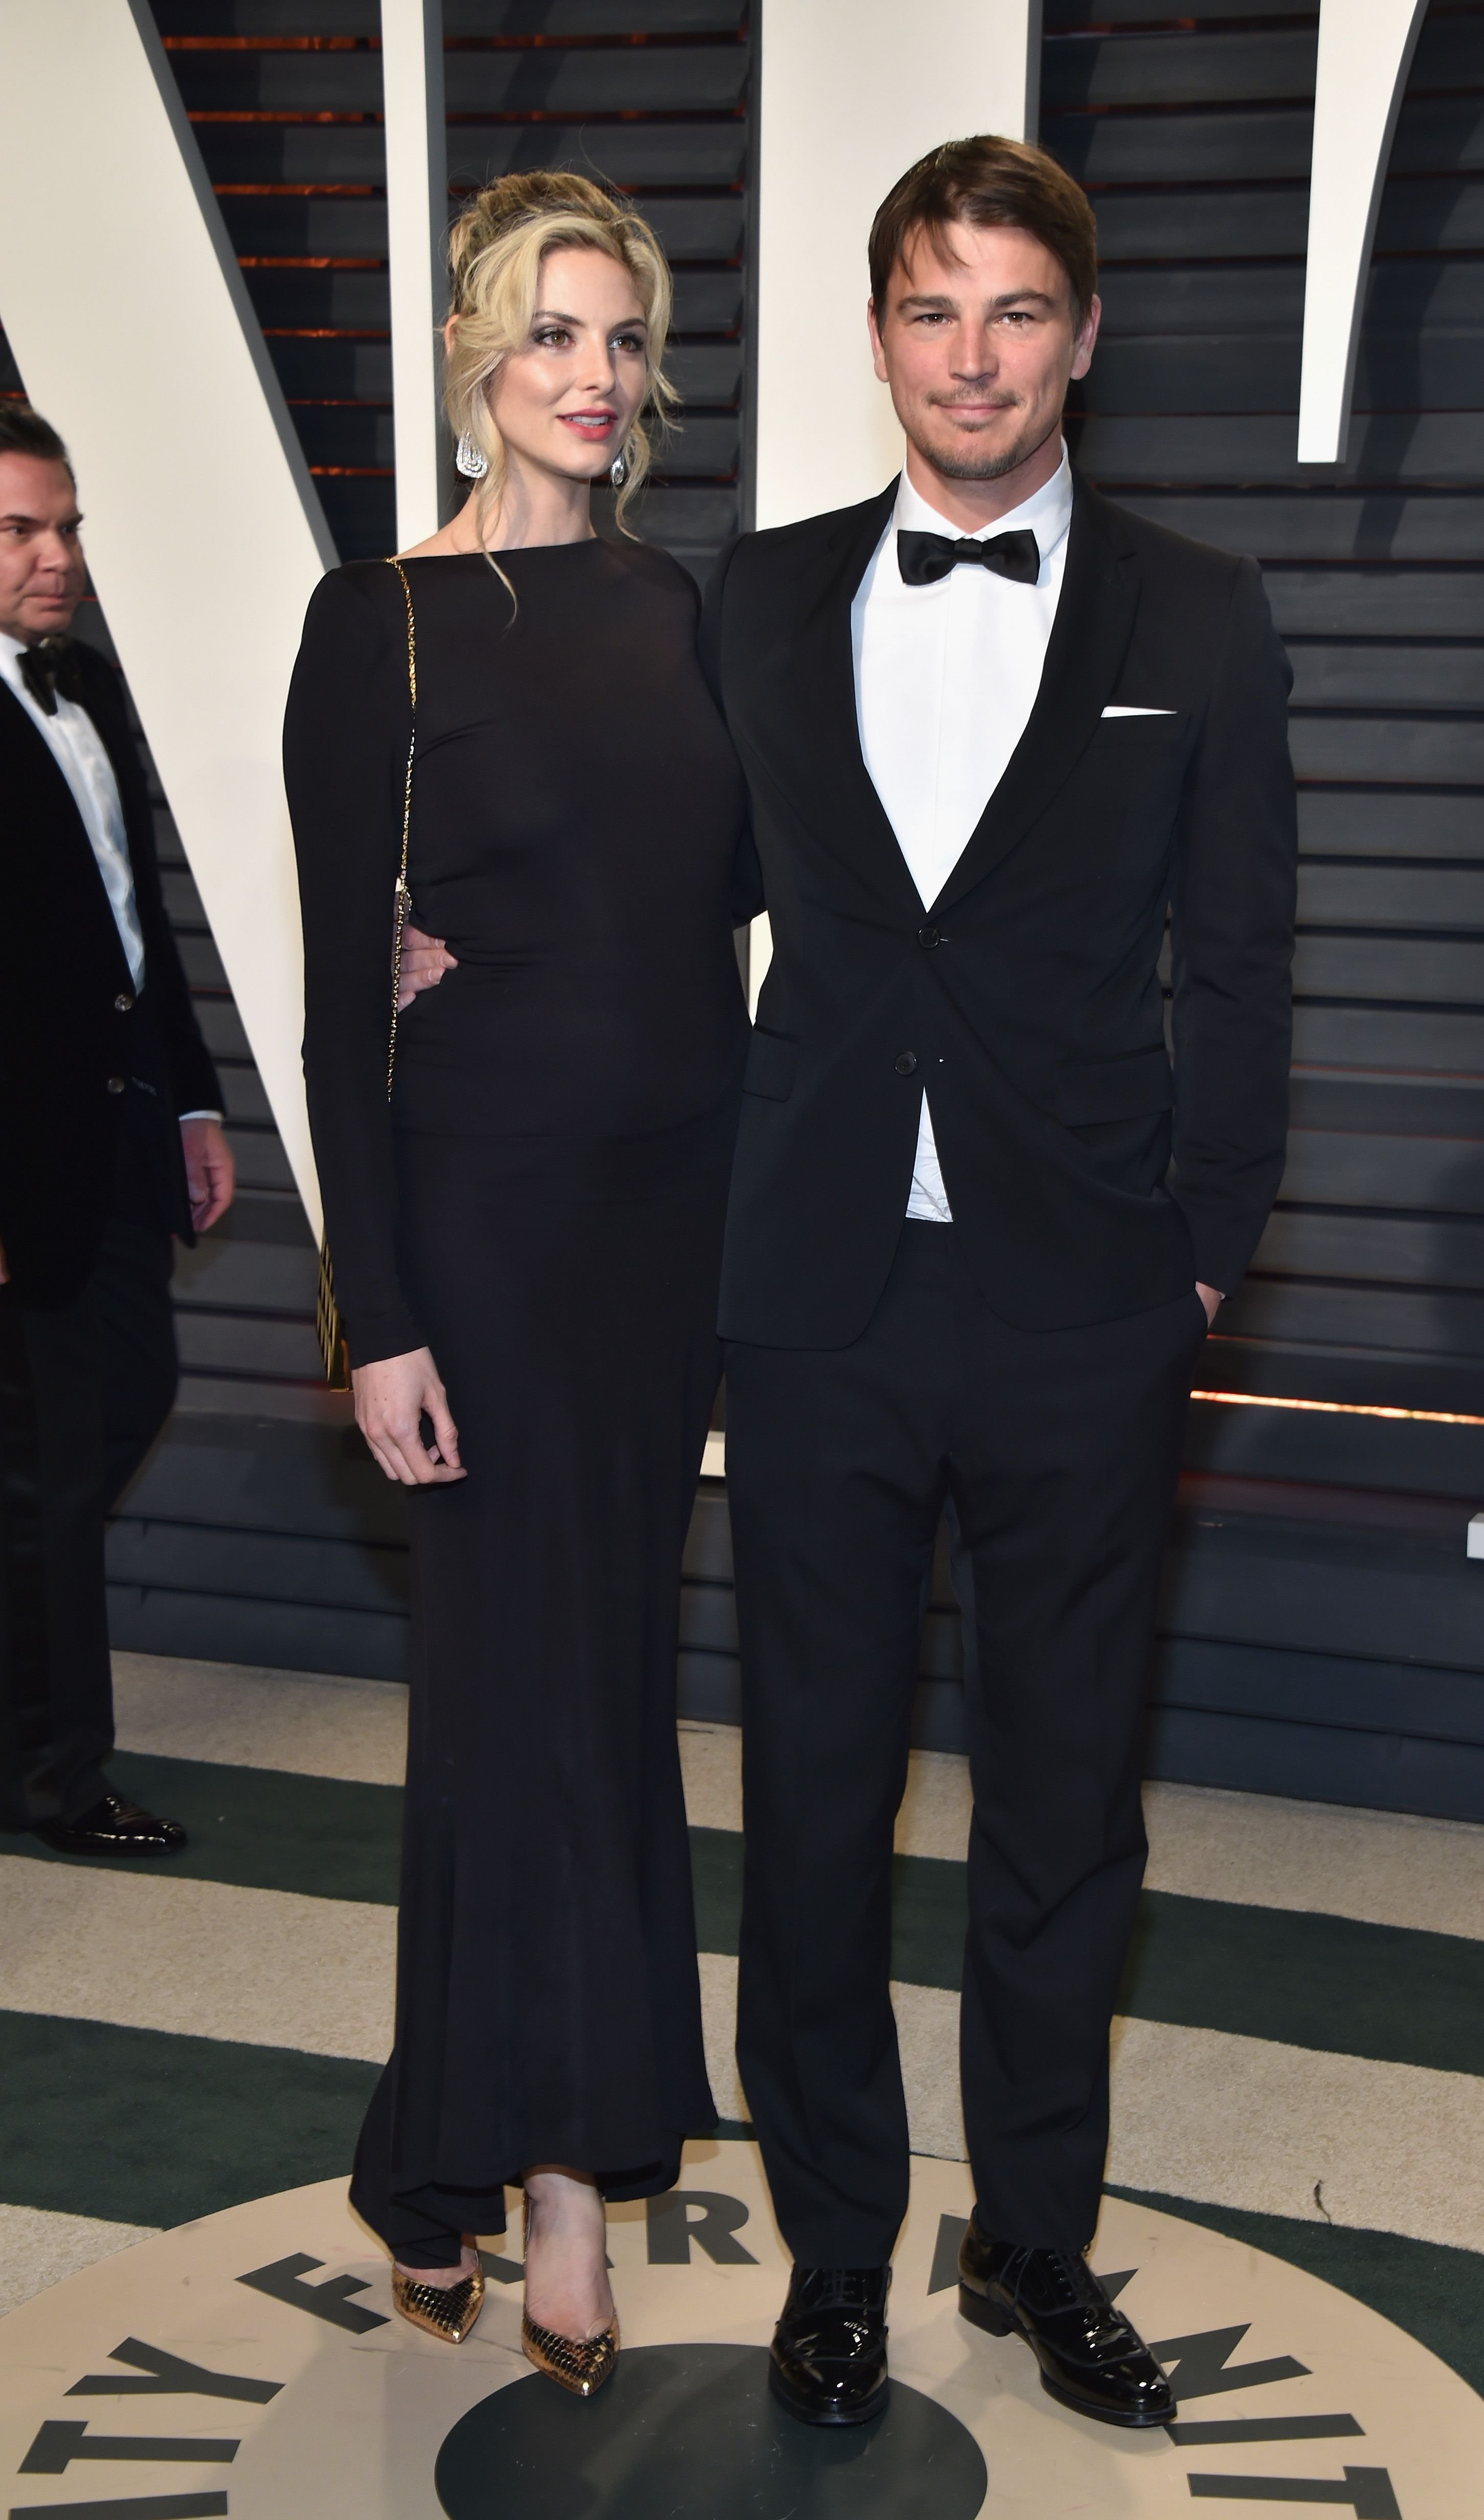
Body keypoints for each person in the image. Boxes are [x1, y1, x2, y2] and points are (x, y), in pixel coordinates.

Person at [701, 138, 1297, 2429]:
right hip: (815, 1291)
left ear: (1082, 338)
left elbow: (1239, 959)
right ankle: (834, 2248)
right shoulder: (749, 604)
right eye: (933, 310)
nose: (972, 354)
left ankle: (1036, 2234)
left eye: (1016, 310)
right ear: (876, 339)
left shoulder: (1199, 612)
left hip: (1081, 1300)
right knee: (816, 1789)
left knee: (1067, 1801)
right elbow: (670, 922)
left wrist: (1200, 1251)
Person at [285, 171, 750, 2393]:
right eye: (554, 332)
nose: (592, 374)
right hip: (472, 1229)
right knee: (501, 1695)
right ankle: (531, 2180)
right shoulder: (373, 621)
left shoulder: (688, 612)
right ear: (479, 350)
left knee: (604, 1686)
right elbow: (322, 1009)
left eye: (622, 339)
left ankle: (469, 2147)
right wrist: (374, 1312)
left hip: (659, 1240)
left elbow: (769, 910)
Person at [0, 405, 234, 1860]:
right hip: (19, 1165)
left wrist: (196, 1099)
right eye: (21, 531)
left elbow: (135, 928)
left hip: (120, 1141)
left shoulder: (80, 689)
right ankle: (55, 1781)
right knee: (49, 1475)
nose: (57, 557)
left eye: (66, 526)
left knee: (110, 1414)